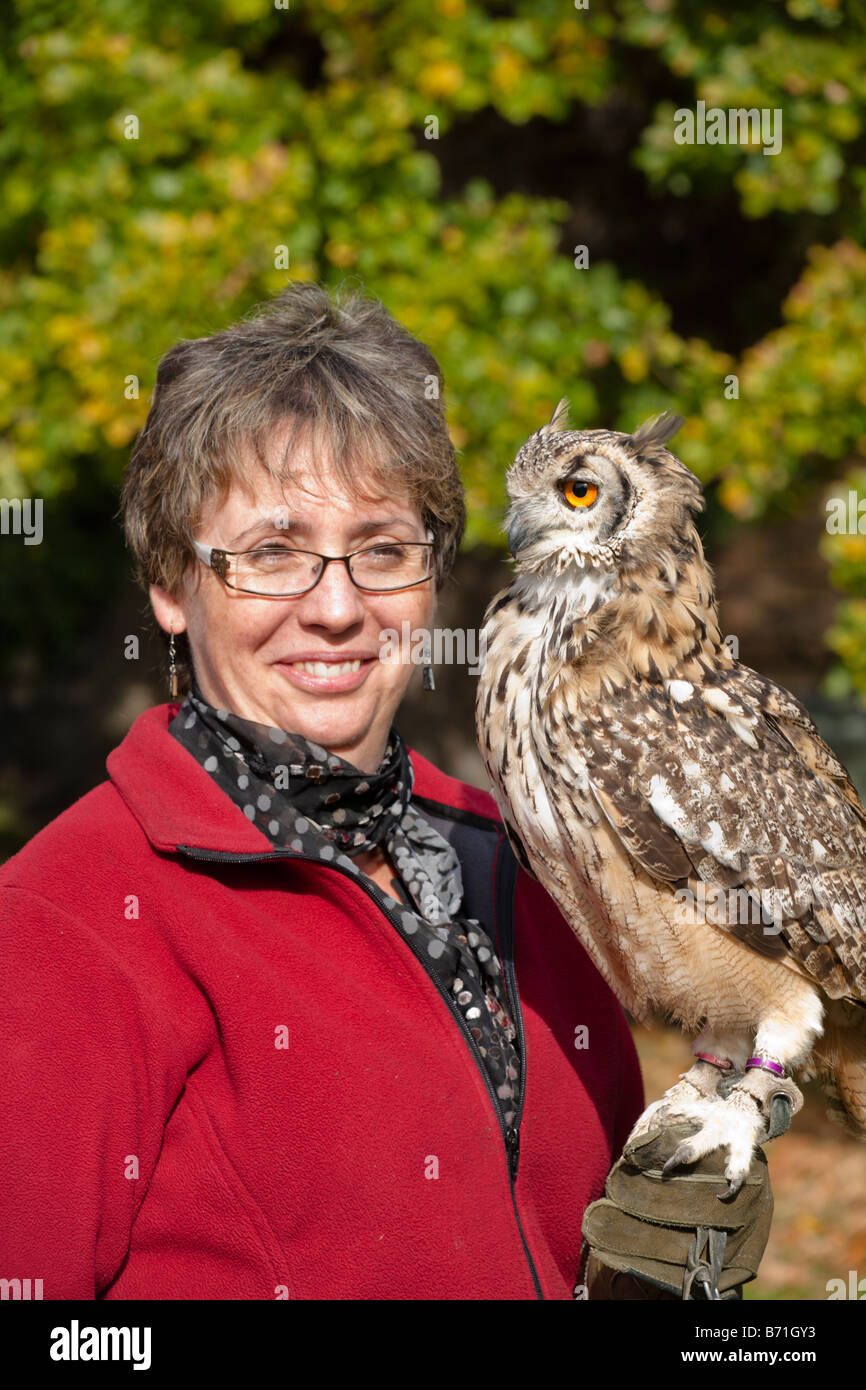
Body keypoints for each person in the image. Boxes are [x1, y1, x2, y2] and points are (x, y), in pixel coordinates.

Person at [0, 280, 759, 1301]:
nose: (335, 606)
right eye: (272, 553)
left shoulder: (531, 863)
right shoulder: (62, 922)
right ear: (172, 587)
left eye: (382, 550)